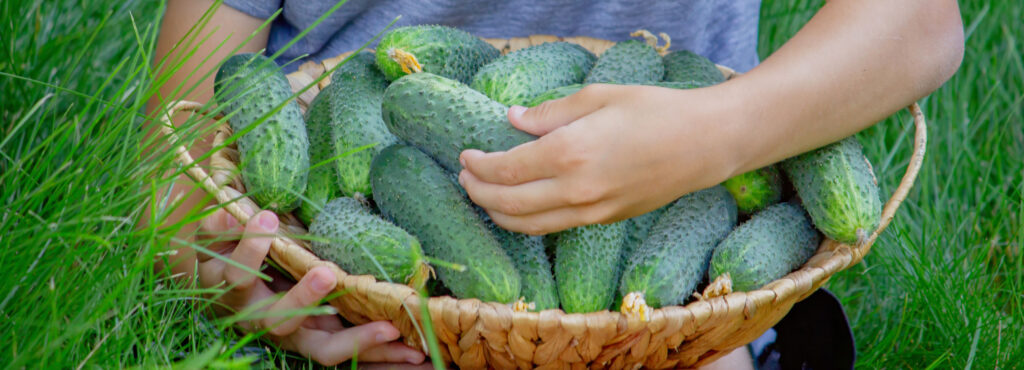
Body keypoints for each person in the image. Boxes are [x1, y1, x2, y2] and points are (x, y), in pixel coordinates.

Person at [149, 0, 963, 367]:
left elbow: (920, 22)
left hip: (667, 287)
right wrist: (236, 283)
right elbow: (175, 149)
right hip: (348, 279)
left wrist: (717, 133)